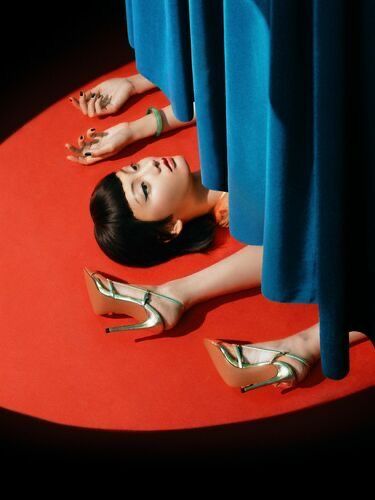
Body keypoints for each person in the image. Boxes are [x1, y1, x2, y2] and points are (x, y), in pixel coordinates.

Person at [68, 73, 368, 393]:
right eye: (144, 188)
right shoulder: (250, 199)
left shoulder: (232, 182)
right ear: (171, 227)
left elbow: (224, 102)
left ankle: (181, 298)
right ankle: (301, 344)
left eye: (134, 167)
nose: (150, 166)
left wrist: (133, 116)